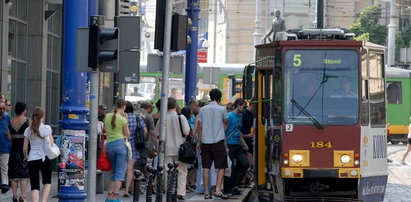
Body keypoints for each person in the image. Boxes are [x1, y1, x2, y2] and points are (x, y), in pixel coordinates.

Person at [156, 97, 190, 200]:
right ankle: (180, 192)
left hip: (166, 149)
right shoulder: (181, 118)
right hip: (180, 149)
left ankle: (169, 189)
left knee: (166, 170)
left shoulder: (162, 119)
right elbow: (186, 132)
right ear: (175, 106)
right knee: (182, 171)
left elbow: (158, 134)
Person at [197, 89, 229, 199]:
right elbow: (226, 124)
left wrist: (199, 141)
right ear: (220, 98)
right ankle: (218, 189)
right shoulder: (222, 109)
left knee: (206, 167)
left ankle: (206, 192)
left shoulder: (203, 109)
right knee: (221, 167)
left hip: (205, 142)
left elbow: (200, 126)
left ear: (210, 97)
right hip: (218, 141)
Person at [22, 108, 53, 202]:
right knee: (47, 181)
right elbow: (51, 143)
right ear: (42, 118)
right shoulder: (47, 128)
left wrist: (26, 156)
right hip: (45, 158)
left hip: (32, 158)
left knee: (34, 185)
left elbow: (24, 147)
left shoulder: (28, 130)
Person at [104, 99, 130, 202]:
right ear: (123, 107)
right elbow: (127, 134)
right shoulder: (123, 119)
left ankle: (109, 196)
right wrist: (125, 119)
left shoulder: (107, 116)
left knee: (114, 171)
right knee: (120, 172)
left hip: (109, 145)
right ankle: (115, 197)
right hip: (120, 145)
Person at [225, 98, 249, 195]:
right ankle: (228, 189)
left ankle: (235, 184)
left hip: (237, 144)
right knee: (230, 167)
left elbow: (238, 132)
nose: (244, 109)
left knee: (245, 163)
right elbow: (224, 130)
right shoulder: (229, 116)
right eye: (244, 106)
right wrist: (225, 145)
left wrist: (244, 144)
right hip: (229, 144)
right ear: (238, 105)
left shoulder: (240, 116)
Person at [8, 102, 30, 202]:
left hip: (13, 149)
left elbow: (9, 137)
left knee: (13, 173)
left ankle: (14, 196)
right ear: (23, 110)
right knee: (24, 172)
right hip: (23, 149)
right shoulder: (27, 121)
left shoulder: (10, 121)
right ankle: (23, 196)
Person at [124, 101, 147, 197]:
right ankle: (127, 189)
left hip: (121, 143)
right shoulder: (137, 118)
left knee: (121, 167)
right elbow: (145, 131)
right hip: (133, 146)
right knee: (130, 168)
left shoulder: (120, 118)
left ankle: (116, 188)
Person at [241, 101, 255, 185]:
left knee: (248, 160)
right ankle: (244, 179)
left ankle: (246, 179)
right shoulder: (244, 114)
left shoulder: (251, 114)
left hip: (248, 140)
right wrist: (247, 136)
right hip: (245, 140)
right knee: (247, 161)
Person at [0, 101, 11, 194]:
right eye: (0, 109)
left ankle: (4, 184)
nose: (2, 110)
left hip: (5, 146)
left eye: (4, 108)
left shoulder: (7, 117)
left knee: (4, 167)